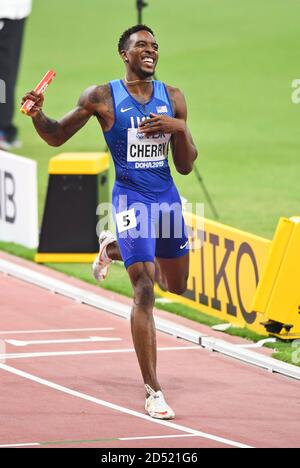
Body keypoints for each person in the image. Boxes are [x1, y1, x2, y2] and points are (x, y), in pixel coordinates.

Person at [21, 24, 198, 420]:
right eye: (141, 45)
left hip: (166, 199)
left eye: (154, 45)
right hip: (131, 199)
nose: (150, 50)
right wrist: (38, 114)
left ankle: (111, 247)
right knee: (145, 291)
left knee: (176, 284)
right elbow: (55, 136)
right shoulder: (101, 98)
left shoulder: (174, 97)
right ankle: (153, 390)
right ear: (125, 53)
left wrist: (180, 129)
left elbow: (185, 167)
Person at [0, 0, 32, 150]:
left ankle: (3, 127)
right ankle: (3, 128)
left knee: (6, 72)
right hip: (8, 10)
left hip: (13, 10)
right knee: (4, 73)